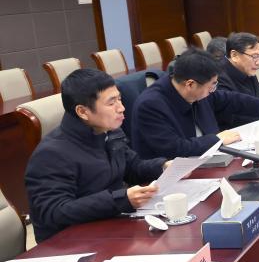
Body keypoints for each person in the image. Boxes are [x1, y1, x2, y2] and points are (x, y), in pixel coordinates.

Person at [25, 69, 168, 242]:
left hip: (108, 225)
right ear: (82, 112)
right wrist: (120, 200)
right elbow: (55, 211)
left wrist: (163, 166)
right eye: (111, 103)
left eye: (119, 99)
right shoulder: (50, 154)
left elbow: (132, 167)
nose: (121, 108)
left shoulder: (109, 131)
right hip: (69, 243)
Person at [132, 48, 259, 159]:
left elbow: (231, 99)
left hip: (210, 159)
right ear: (190, 84)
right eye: (212, 86)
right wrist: (217, 139)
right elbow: (175, 148)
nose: (213, 90)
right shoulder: (150, 105)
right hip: (174, 176)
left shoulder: (198, 89)